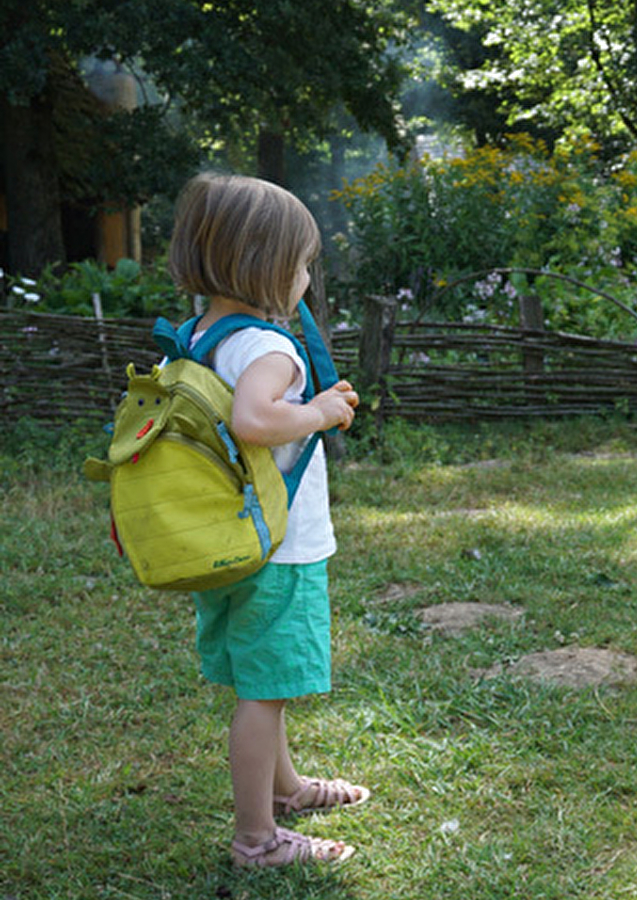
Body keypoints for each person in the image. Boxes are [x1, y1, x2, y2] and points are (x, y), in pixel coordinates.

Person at [167, 173, 366, 868]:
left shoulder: (204, 333)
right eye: (304, 262)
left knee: (260, 682)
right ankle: (257, 838)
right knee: (267, 695)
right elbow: (256, 419)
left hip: (231, 541)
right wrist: (317, 412)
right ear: (268, 266)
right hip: (279, 549)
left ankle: (286, 789)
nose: (308, 276)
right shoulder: (269, 347)